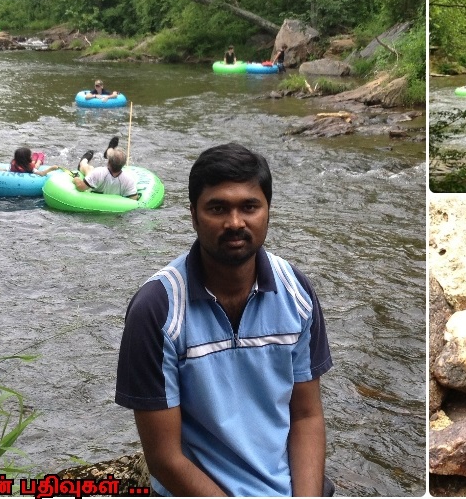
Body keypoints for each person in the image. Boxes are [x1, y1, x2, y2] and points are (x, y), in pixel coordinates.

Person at [115, 143, 332, 496]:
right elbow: (165, 458)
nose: (235, 223)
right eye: (218, 208)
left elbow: (306, 415)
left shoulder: (297, 293)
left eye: (249, 207)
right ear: (193, 215)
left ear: (268, 211)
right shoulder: (156, 309)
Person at [73, 147, 137, 199]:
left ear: (108, 162)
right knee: (91, 171)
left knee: (88, 168)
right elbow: (133, 199)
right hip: (114, 206)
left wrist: (76, 178)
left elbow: (80, 187)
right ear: (123, 164)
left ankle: (84, 160)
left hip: (94, 197)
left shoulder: (98, 172)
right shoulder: (129, 180)